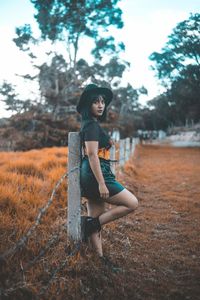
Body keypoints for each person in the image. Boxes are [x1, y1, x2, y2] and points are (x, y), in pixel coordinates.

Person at [76, 83, 138, 262]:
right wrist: (102, 183)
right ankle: (90, 225)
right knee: (132, 203)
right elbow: (92, 154)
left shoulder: (90, 125)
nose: (101, 105)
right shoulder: (92, 126)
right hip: (96, 173)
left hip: (92, 172)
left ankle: (99, 259)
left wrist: (107, 141)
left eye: (102, 101)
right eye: (96, 102)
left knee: (95, 215)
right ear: (88, 105)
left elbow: (94, 149)